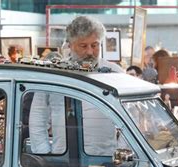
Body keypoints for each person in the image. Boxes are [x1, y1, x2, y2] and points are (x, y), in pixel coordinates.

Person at [29, 16, 124, 155]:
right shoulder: (54, 74)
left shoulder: (115, 73)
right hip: (62, 157)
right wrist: (44, 154)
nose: (90, 52)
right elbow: (38, 116)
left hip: (106, 158)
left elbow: (131, 116)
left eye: (95, 45)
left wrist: (121, 152)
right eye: (83, 46)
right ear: (70, 45)